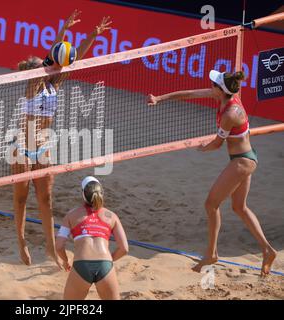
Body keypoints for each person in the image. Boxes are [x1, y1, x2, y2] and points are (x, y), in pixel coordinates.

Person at [147, 70, 277, 276]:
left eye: (213, 84)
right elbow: (188, 94)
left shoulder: (230, 114)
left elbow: (217, 144)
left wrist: (201, 147)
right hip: (246, 158)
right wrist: (159, 98)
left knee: (211, 204)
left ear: (220, 90)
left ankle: (211, 254)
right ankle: (267, 250)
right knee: (239, 207)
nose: (210, 86)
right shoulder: (224, 96)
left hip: (242, 162)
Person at [12, 10, 112, 267]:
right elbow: (54, 57)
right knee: (21, 199)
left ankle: (49, 245)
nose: (45, 62)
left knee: (46, 200)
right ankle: (21, 241)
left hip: (43, 147)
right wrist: (60, 42)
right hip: (21, 148)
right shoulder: (32, 82)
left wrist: (90, 34)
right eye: (41, 62)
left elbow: (68, 56)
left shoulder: (55, 84)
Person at [56, 176, 129, 299]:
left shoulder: (71, 215)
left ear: (83, 194)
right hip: (105, 264)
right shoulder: (111, 216)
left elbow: (59, 246)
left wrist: (65, 261)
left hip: (81, 264)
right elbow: (124, 248)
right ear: (102, 193)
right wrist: (109, 260)